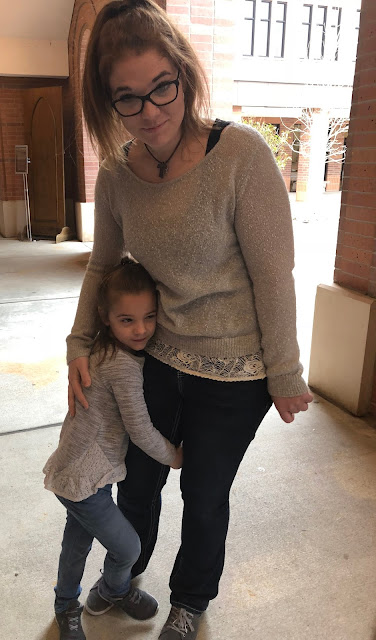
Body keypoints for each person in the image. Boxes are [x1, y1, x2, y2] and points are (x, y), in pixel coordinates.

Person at [67, 1, 313, 638]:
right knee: (137, 482)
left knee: (203, 496)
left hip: (236, 371)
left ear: (184, 73)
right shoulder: (117, 173)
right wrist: (79, 344)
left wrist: (285, 372)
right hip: (155, 355)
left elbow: (273, 275)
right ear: (107, 101)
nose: (150, 111)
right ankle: (124, 576)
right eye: (127, 97)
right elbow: (102, 265)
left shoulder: (241, 155)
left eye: (162, 87)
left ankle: (191, 601)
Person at [44, 259, 183, 640]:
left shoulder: (102, 348)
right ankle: (112, 589)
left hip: (83, 471)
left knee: (76, 543)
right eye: (127, 320)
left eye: (149, 317)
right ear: (104, 318)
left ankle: (67, 604)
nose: (141, 329)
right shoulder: (121, 365)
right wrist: (173, 456)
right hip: (85, 478)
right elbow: (139, 429)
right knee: (127, 548)